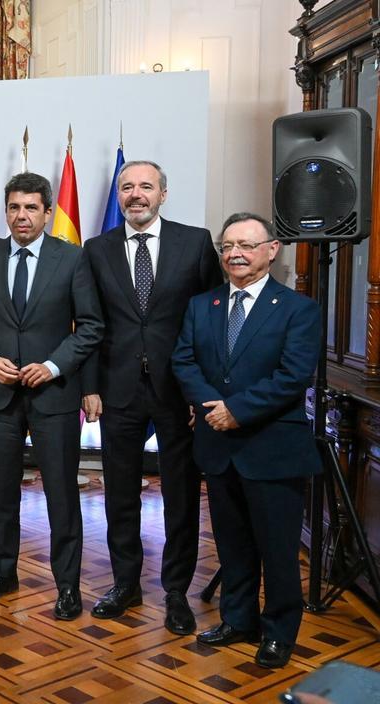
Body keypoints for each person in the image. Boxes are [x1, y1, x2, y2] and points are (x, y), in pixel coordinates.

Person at [172, 213, 320, 669]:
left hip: (273, 449)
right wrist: (214, 405)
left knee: (277, 551)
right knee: (232, 545)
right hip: (219, 449)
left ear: (271, 251)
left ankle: (278, 633)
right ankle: (238, 620)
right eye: (228, 245)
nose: (235, 253)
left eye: (247, 245)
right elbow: (184, 361)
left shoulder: (298, 308)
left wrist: (237, 410)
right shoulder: (203, 304)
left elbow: (294, 376)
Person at [81, 160, 222, 632]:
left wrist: (200, 392)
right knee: (119, 493)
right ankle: (125, 584)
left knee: (181, 494)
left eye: (145, 186)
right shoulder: (96, 248)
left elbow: (211, 322)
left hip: (178, 391)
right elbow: (89, 323)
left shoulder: (195, 242)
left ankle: (176, 592)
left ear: (163, 193)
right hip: (116, 389)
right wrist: (90, 386)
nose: (135, 194)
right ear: (118, 196)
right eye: (127, 187)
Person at [0, 172, 103, 619]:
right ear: (5, 212)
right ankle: (2, 572)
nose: (22, 216)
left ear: (46, 212)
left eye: (31, 208)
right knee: (0, 491)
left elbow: (91, 326)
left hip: (54, 394)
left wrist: (54, 365)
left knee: (61, 493)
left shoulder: (73, 258)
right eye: (14, 208)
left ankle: (67, 586)